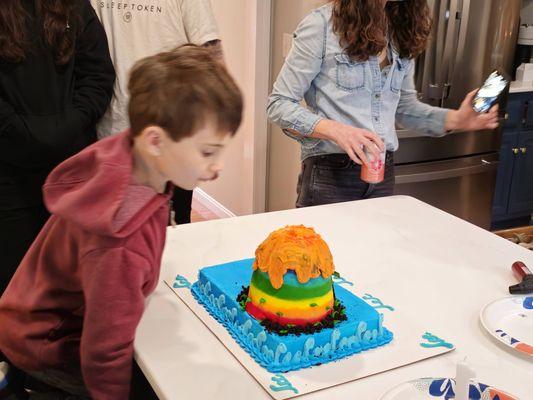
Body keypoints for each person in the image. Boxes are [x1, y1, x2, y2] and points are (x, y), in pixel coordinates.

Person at [0, 45, 243, 399]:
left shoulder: (133, 154)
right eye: (207, 152)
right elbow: (103, 353)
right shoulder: (117, 242)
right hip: (48, 345)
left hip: (31, 319)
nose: (217, 166)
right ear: (155, 141)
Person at [267, 0, 499, 208]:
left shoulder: (400, 29)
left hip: (382, 173)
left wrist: (457, 119)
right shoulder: (321, 26)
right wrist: (337, 131)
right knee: (328, 254)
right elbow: (279, 104)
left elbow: (405, 109)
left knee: (376, 253)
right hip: (331, 174)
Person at [0, 0, 115, 295]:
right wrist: (25, 132)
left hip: (73, 177)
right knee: (13, 288)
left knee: (71, 284)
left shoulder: (74, 6)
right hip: (9, 180)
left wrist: (68, 126)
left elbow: (98, 75)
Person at [90, 0, 223, 225]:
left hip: (172, 134)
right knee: (114, 227)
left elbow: (210, 54)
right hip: (110, 132)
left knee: (174, 233)